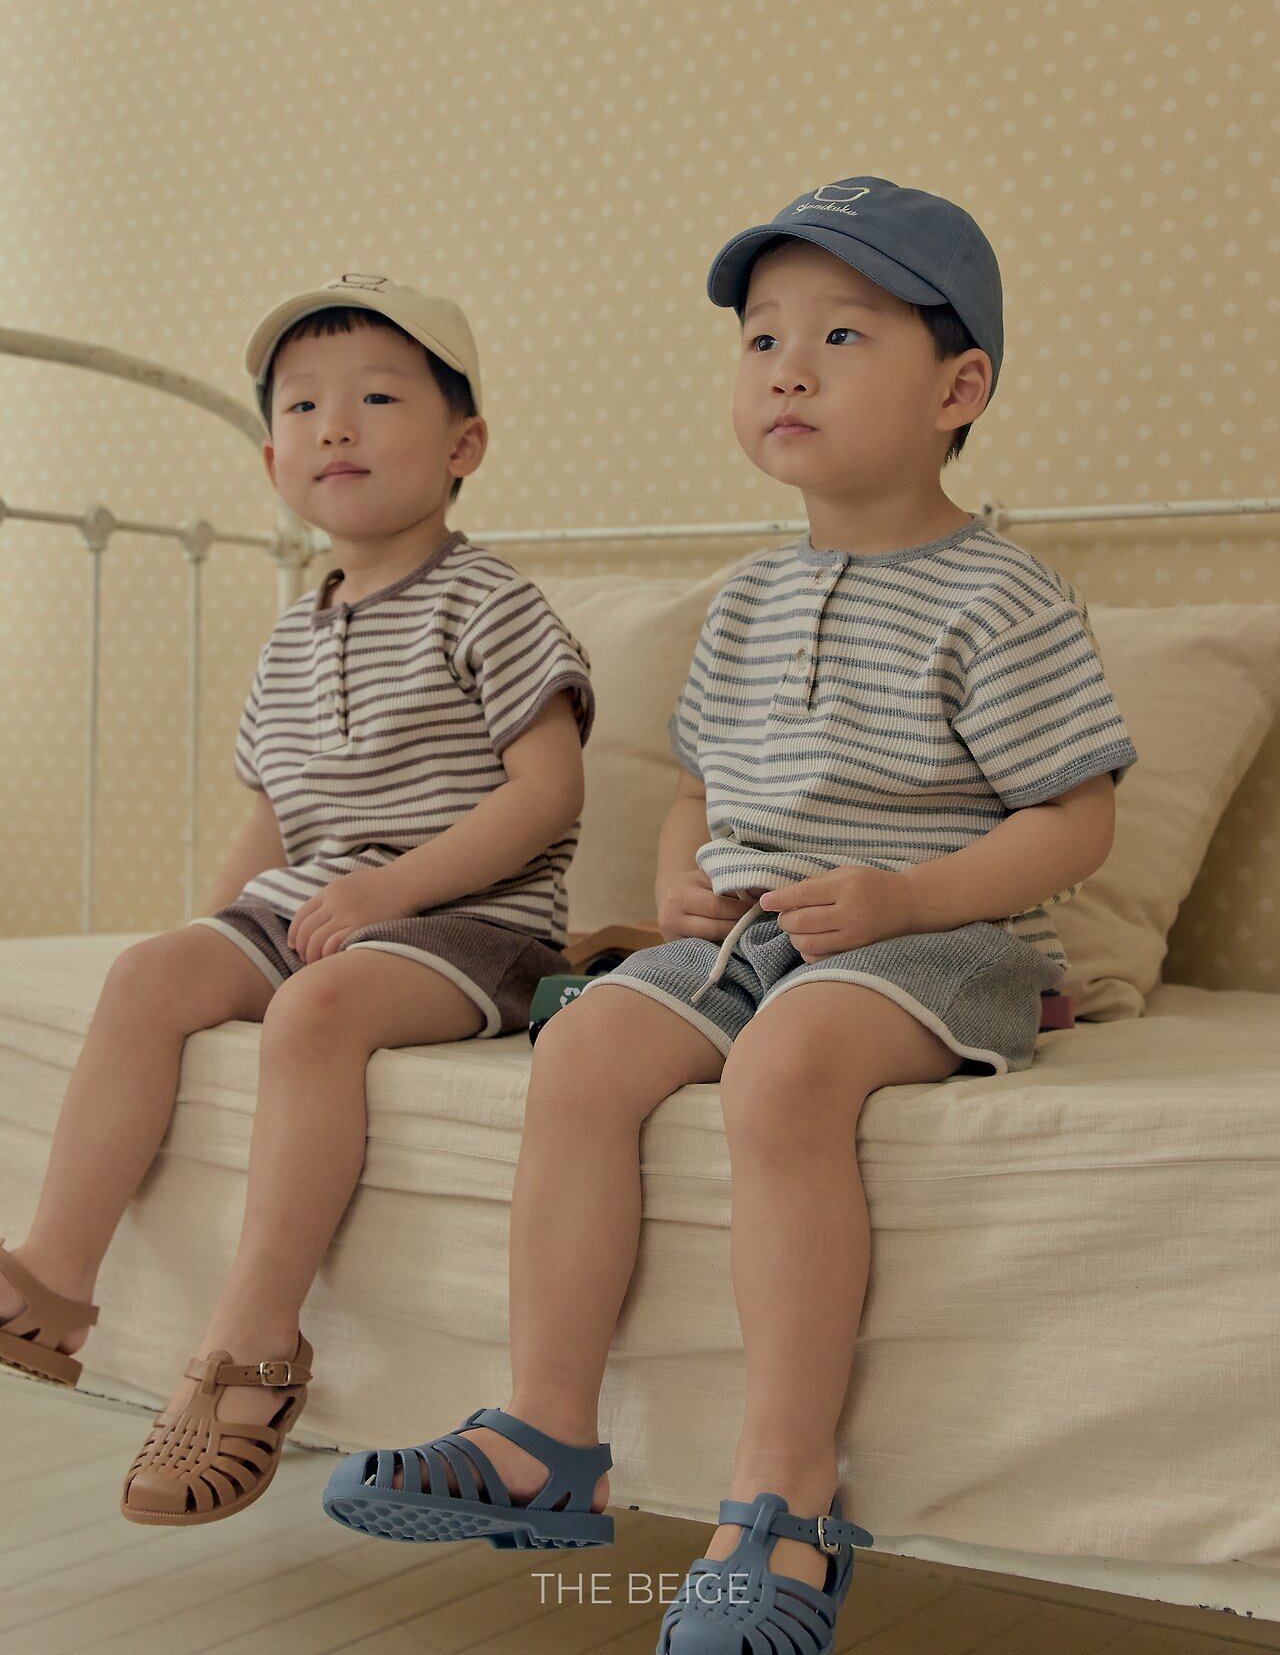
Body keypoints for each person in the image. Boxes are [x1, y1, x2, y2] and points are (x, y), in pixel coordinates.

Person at [321, 181, 1138, 1655]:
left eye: (841, 335)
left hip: (934, 939)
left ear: (958, 389)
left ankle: (785, 1495)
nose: (788, 369)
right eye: (761, 339)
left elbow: (1074, 818)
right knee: (582, 1053)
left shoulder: (1000, 595)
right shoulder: (749, 598)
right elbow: (704, 789)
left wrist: (906, 895)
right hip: (752, 936)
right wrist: (681, 877)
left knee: (785, 1067)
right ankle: (545, 1437)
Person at [0, 272, 595, 1527]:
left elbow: (546, 792)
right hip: (316, 904)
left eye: (377, 398)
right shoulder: (290, 633)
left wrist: (392, 886)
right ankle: (52, 1282)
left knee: (314, 1011)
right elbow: (273, 817)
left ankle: (254, 1339)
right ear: (272, 458)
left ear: (463, 445)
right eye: (304, 406)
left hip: (470, 922)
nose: (335, 426)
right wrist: (208, 931)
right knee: (147, 974)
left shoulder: (488, 601)